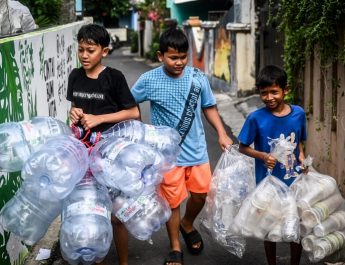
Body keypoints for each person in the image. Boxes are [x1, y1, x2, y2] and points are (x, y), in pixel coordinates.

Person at [130, 27, 233, 265]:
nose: (179, 62)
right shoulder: (149, 80)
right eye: (173, 57)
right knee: (172, 202)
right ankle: (175, 245)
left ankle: (188, 224)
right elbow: (129, 103)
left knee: (201, 194)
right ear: (160, 56)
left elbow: (209, 106)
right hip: (168, 157)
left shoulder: (197, 78)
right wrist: (140, 129)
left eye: (183, 57)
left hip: (197, 150)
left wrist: (222, 133)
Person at [66, 23, 140, 265]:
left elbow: (133, 112)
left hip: (110, 155)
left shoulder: (114, 78)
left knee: (117, 215)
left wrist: (100, 118)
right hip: (83, 154)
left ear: (104, 51)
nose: (85, 55)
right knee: (91, 211)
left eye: (91, 50)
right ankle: (97, 258)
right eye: (81, 50)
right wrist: (74, 113)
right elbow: (73, 107)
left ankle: (124, 262)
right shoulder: (75, 76)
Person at [238, 65, 307, 265]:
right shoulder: (255, 118)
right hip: (267, 183)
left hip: (294, 180)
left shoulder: (298, 114)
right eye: (264, 93)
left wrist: (302, 158)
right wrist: (261, 155)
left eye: (274, 92)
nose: (269, 97)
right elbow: (243, 147)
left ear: (286, 90)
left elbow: (300, 142)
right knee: (270, 227)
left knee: (297, 225)